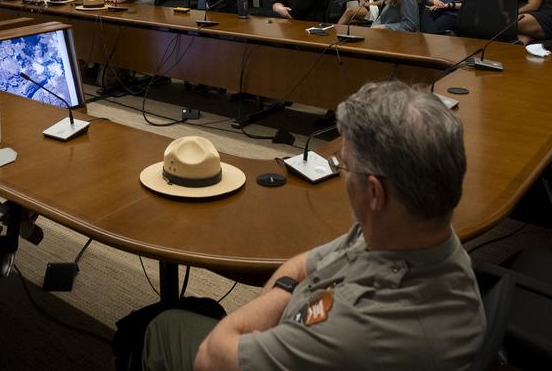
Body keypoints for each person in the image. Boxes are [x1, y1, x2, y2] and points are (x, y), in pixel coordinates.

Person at [142, 81, 485, 371]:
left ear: (375, 192)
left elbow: (211, 356)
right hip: (296, 333)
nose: (341, 175)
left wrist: (280, 312)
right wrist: (290, 298)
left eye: (344, 166)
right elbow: (301, 265)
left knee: (164, 326)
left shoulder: (359, 328)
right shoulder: (409, 229)